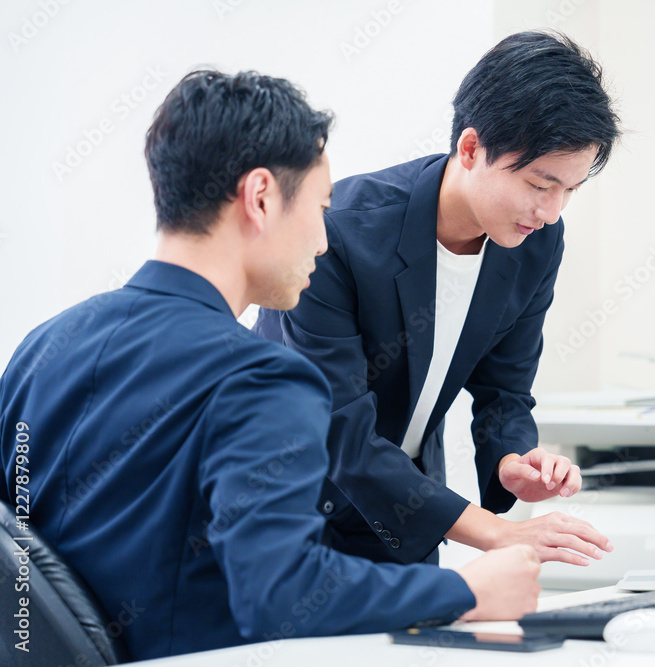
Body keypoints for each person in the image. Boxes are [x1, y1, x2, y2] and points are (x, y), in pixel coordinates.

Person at [0, 70, 540, 661]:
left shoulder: (41, 349)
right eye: (320, 208)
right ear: (260, 197)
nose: (323, 241)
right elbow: (281, 594)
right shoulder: (264, 380)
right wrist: (466, 592)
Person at [254, 31, 623, 567]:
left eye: (569, 190)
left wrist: (512, 460)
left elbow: (505, 389)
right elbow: (340, 428)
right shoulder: (341, 232)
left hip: (401, 515)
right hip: (286, 510)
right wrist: (497, 533)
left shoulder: (536, 241)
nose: (551, 211)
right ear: (470, 149)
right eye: (540, 185)